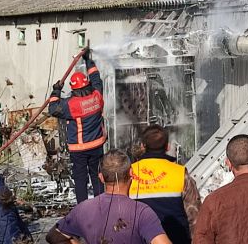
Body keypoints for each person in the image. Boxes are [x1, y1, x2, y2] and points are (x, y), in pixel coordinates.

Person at [46, 148, 171, 244]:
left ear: (101, 177)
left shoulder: (82, 209)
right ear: (132, 174)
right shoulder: (142, 212)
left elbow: (54, 236)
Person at [49, 49, 106, 204]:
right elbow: (96, 78)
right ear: (87, 84)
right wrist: (89, 60)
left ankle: (83, 208)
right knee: (97, 176)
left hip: (79, 149)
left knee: (80, 179)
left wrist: (56, 91)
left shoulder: (71, 105)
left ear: (73, 89)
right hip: (97, 145)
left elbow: (53, 108)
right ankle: (101, 205)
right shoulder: (97, 96)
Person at [130, 125, 201, 243]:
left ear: (143, 146)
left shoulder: (129, 173)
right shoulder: (180, 173)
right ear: (167, 147)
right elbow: (194, 216)